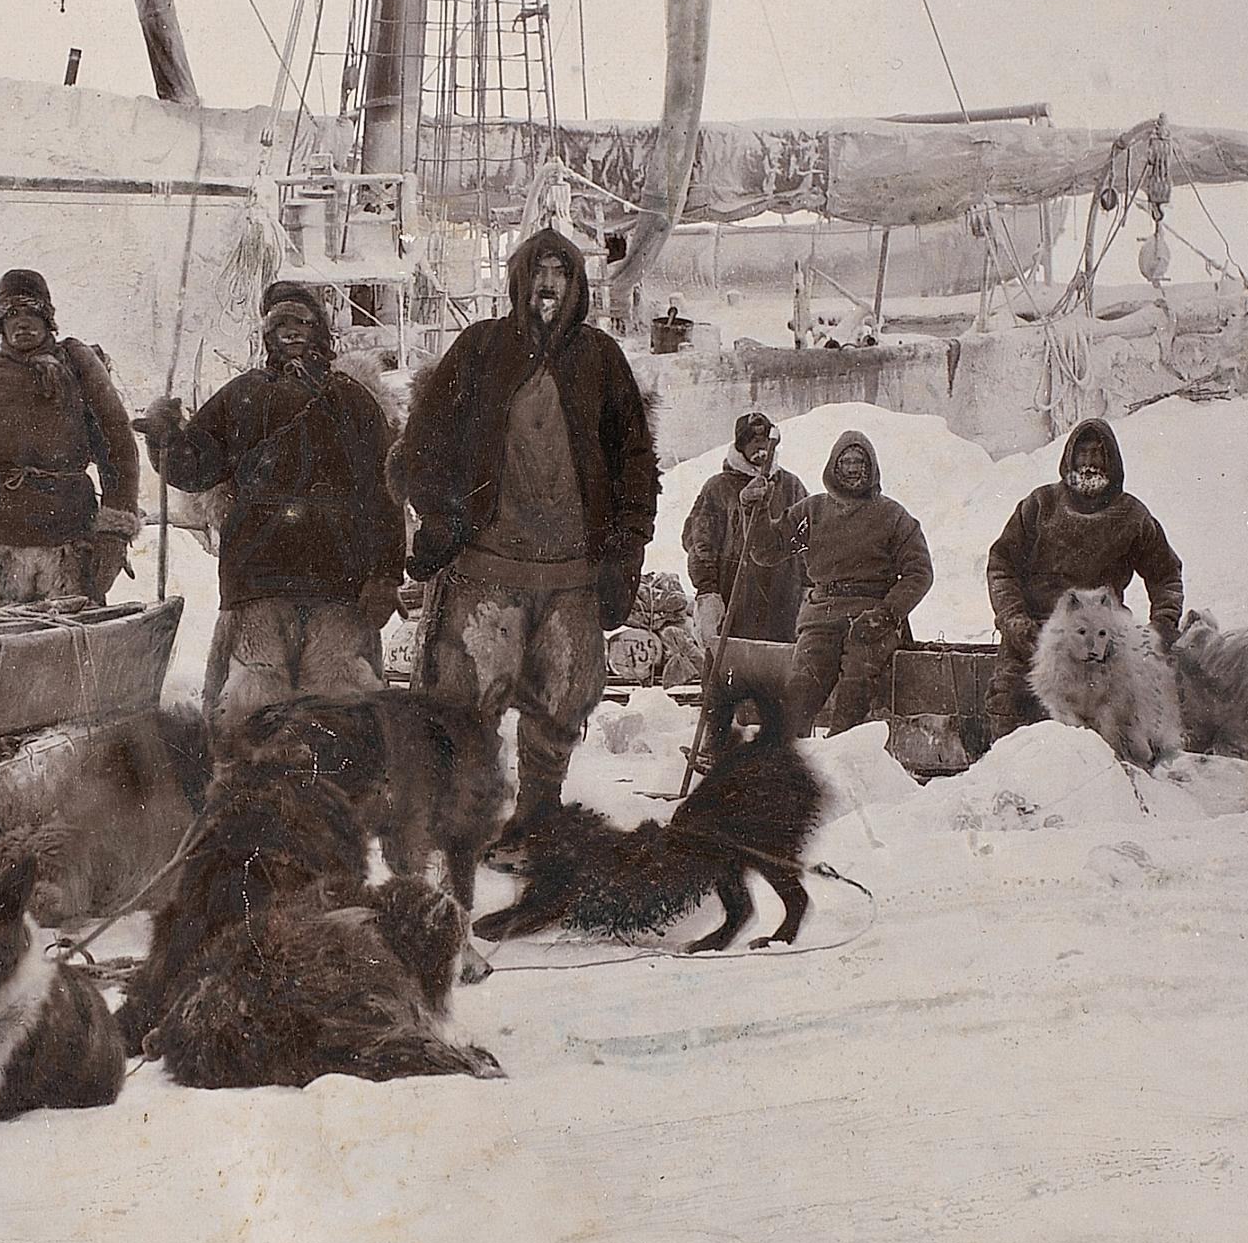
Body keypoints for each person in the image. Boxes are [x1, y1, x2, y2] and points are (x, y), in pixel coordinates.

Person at [392, 227, 661, 818]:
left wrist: (627, 548)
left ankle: (538, 820)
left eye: (561, 273)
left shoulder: (600, 359)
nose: (548, 284)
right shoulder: (480, 348)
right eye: (538, 271)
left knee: (558, 708)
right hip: (486, 572)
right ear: (519, 280)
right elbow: (424, 441)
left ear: (576, 286)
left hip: (570, 579)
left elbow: (635, 460)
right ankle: (465, 819)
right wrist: (441, 518)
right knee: (466, 708)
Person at [139, 280, 403, 724]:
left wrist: (386, 574)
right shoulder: (242, 394)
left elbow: (385, 491)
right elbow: (194, 468)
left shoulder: (353, 399)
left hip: (338, 576)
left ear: (320, 331)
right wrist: (166, 436)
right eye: (280, 323)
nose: (292, 331)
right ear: (267, 335)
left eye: (302, 322)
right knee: (253, 709)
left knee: (339, 709)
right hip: (259, 575)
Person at [0, 269, 143, 612]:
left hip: (67, 533)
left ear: (48, 319)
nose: (21, 323)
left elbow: (118, 446)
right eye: (11, 315)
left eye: (31, 313)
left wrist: (114, 529)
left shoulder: (78, 363)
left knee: (72, 648)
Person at [978, 416, 1183, 746]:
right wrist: (1013, 618)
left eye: (1097, 454)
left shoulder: (1132, 515)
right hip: (1035, 632)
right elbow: (1002, 565)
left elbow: (1166, 575)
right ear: (1068, 458)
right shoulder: (1040, 505)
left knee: (1114, 722)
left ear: (1111, 461)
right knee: (1009, 703)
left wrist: (1161, 626)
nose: (1088, 464)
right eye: (1081, 454)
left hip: (1103, 639)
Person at [745, 430, 932, 735]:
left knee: (854, 692)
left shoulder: (893, 516)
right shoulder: (811, 511)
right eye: (846, 461)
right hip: (822, 617)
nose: (853, 468)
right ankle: (787, 762)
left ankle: (842, 757)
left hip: (870, 620)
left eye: (860, 462)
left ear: (871, 468)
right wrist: (756, 510)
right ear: (834, 466)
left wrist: (886, 614)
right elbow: (767, 551)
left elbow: (919, 572)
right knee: (799, 693)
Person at [681, 412, 809, 660]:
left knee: (779, 669)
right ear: (740, 445)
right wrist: (708, 592)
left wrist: (809, 588)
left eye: (764, 440)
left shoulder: (791, 486)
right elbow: (699, 541)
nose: (760, 448)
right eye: (751, 440)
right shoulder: (718, 488)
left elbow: (808, 541)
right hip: (734, 598)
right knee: (734, 668)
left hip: (784, 597)